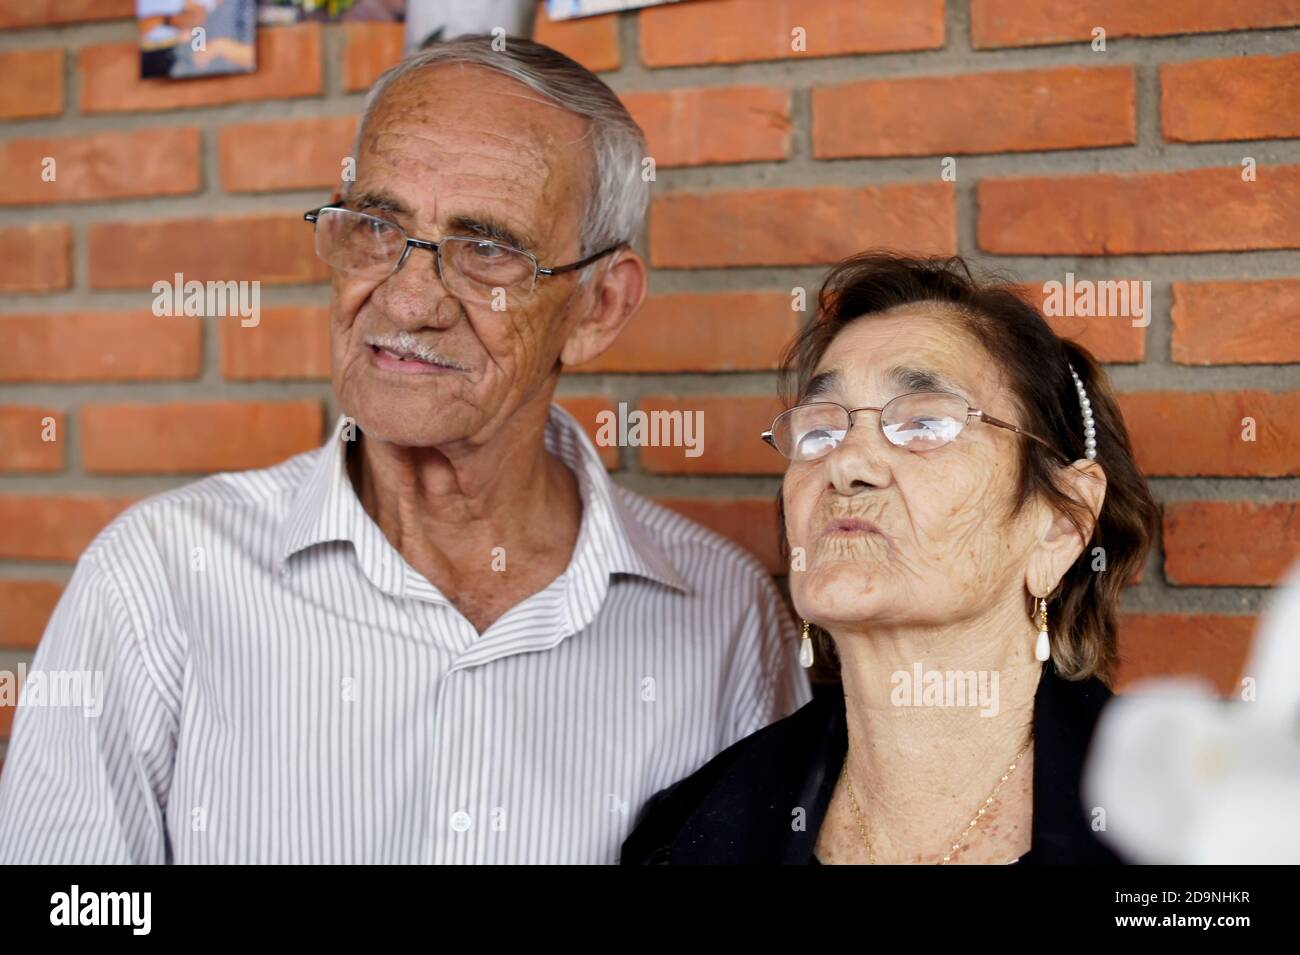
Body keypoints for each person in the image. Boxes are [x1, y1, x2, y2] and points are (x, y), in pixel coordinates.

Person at [0, 36, 809, 864]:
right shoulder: (155, 581)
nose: (409, 296)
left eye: (487, 247)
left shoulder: (724, 621)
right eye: (378, 225)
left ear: (600, 305)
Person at [621, 252, 1160, 865]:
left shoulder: (1196, 828)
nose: (846, 465)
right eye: (820, 431)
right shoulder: (688, 832)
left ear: (1060, 525)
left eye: (925, 424)